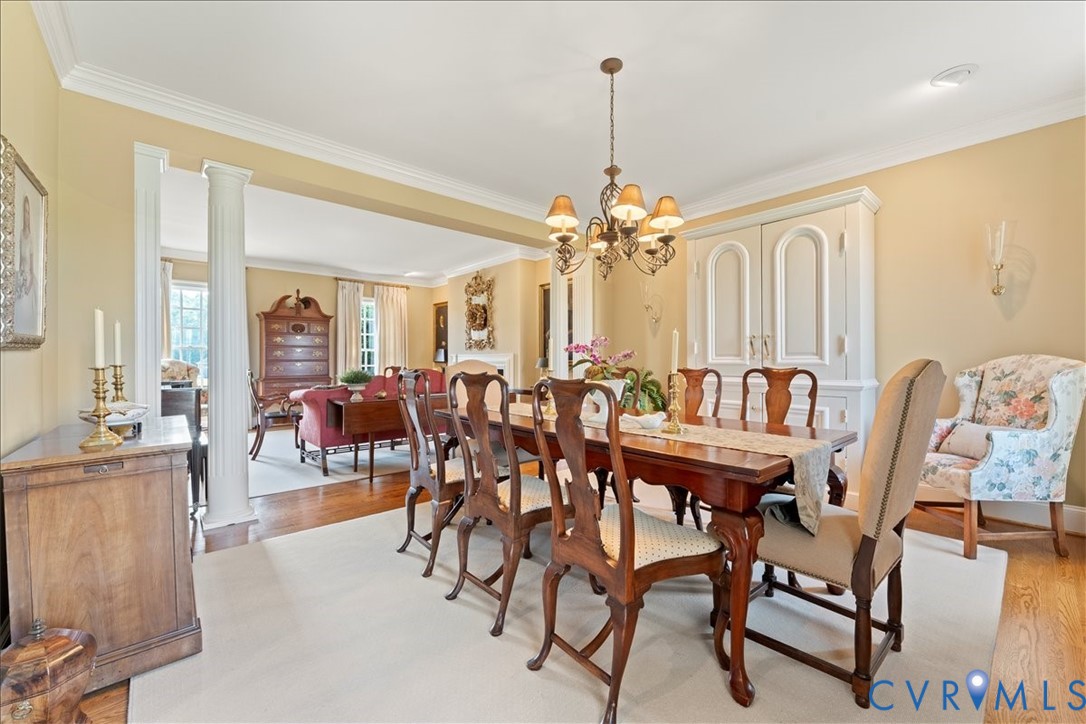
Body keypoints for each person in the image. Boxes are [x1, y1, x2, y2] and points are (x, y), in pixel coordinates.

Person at [13, 194, 38, 334]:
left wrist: (28, 284)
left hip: (28, 278)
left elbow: (32, 264)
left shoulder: (32, 238)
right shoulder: (21, 234)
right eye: (25, 212)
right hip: (21, 276)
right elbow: (20, 260)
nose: (27, 215)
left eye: (28, 212)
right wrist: (19, 277)